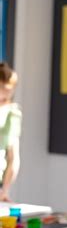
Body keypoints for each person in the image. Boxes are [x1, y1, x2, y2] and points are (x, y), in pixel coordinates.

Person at [0, 62, 21, 202]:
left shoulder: (12, 114)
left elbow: (13, 158)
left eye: (10, 88)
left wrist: (4, 191)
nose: (7, 91)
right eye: (2, 87)